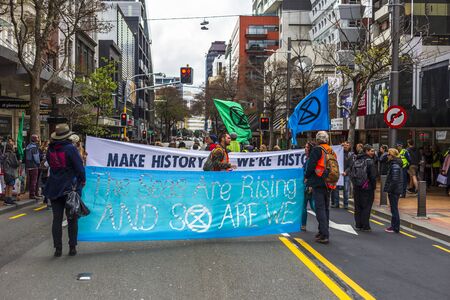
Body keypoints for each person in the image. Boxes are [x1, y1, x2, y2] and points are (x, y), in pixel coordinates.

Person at [44, 124, 86, 257]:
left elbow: (50, 164)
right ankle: (72, 246)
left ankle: (57, 248)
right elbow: (79, 167)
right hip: (69, 188)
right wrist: (82, 180)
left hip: (54, 187)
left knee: (56, 219)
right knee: (72, 218)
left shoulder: (50, 149)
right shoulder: (70, 149)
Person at [305, 131, 337, 244]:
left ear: (318, 139)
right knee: (326, 208)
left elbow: (311, 165)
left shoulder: (317, 150)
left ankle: (324, 234)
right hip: (329, 182)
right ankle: (322, 231)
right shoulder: (331, 150)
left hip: (319, 180)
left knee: (320, 209)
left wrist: (306, 176)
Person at [351, 144, 377, 231]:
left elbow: (352, 173)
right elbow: (373, 176)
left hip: (357, 187)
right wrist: (373, 187)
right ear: (366, 151)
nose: (373, 152)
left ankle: (358, 225)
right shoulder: (370, 161)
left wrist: (355, 184)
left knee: (357, 206)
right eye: (371, 151)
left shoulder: (356, 159)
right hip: (367, 187)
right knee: (366, 206)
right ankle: (365, 226)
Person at [384, 148, 403, 233]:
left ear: (392, 155)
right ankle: (394, 226)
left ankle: (395, 227)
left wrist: (389, 190)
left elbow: (394, 180)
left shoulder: (395, 165)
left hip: (394, 191)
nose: (387, 156)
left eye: (388, 154)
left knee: (394, 209)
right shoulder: (394, 164)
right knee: (393, 208)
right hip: (395, 190)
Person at [301, 141, 316, 231]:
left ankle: (303, 225)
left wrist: (310, 185)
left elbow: (309, 173)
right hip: (308, 185)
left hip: (308, 186)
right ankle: (323, 223)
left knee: (305, 205)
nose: (305, 149)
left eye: (307, 147)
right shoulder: (308, 159)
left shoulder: (310, 160)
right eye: (305, 147)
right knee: (311, 205)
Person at [25, 134, 41, 199]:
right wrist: (39, 163)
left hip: (28, 165)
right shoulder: (34, 147)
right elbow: (36, 158)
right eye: (37, 138)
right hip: (34, 165)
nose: (38, 138)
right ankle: (32, 194)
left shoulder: (28, 146)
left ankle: (34, 193)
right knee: (34, 180)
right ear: (34, 139)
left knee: (31, 180)